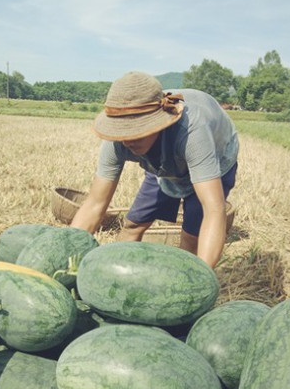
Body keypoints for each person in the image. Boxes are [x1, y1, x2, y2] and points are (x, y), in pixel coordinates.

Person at [70, 71, 238, 268]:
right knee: (133, 223)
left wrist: (203, 278)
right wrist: (67, 254)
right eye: (122, 131)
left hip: (214, 155)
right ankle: (117, 271)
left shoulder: (192, 132)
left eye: (137, 130)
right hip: (162, 159)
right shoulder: (118, 142)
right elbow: (95, 204)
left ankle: (185, 282)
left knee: (191, 237)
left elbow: (214, 209)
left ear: (159, 123)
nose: (128, 140)